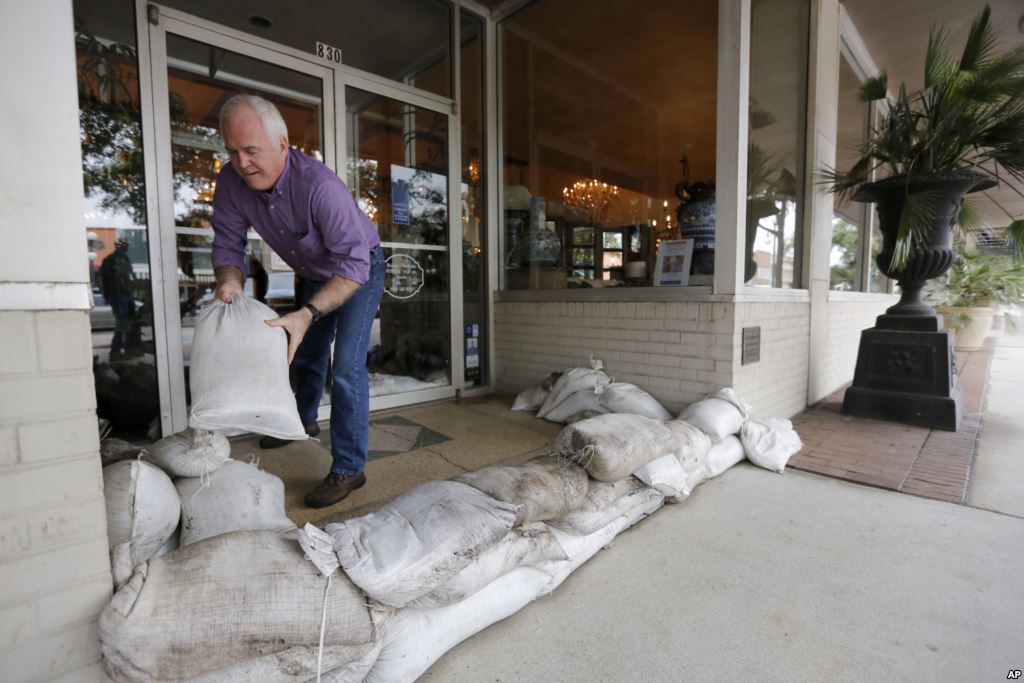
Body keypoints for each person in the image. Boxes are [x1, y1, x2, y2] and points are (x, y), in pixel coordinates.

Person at [211, 93, 384, 508]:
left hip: (359, 269)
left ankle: (349, 468)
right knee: (304, 353)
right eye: (233, 151)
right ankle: (302, 422)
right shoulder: (231, 182)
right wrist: (230, 283)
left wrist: (308, 312)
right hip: (315, 272)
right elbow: (228, 246)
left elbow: (354, 265)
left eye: (251, 151)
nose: (242, 162)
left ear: (283, 145)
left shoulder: (320, 187)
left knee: (344, 366)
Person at [99, 237, 136, 354]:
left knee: (128, 322)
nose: (126, 248)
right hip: (118, 296)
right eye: (125, 246)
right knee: (122, 322)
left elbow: (130, 278)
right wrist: (107, 295)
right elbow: (102, 278)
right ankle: (117, 349)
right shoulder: (110, 260)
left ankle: (126, 347)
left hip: (126, 295)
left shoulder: (125, 259)